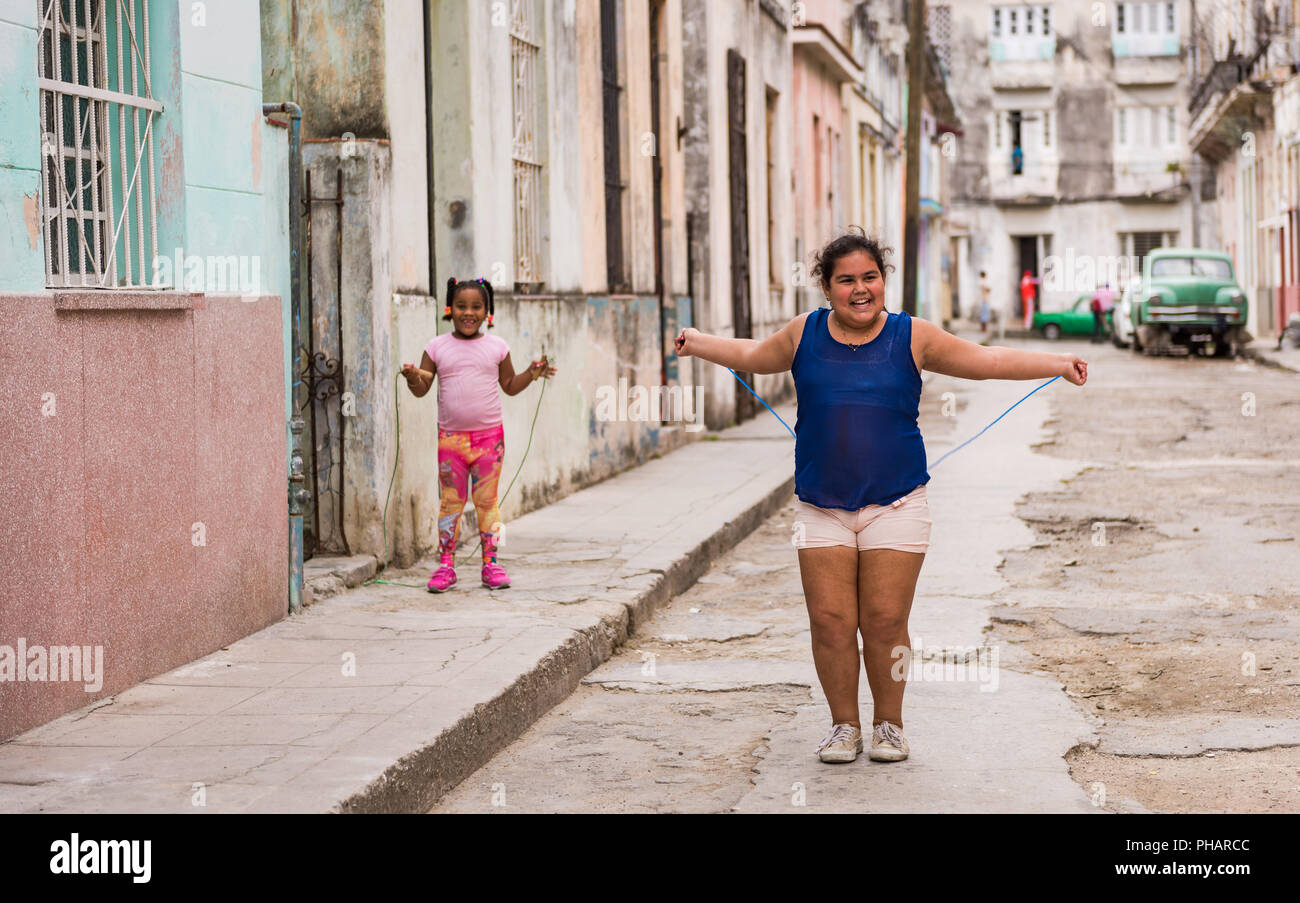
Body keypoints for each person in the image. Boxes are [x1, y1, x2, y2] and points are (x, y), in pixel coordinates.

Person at [674, 228, 1087, 764]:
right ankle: (843, 726)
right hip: (820, 506)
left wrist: (1056, 364)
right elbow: (753, 355)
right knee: (830, 621)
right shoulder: (804, 334)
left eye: (870, 276)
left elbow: (986, 361)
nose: (860, 289)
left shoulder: (913, 337)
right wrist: (697, 340)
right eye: (846, 280)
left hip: (896, 503)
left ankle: (889, 725)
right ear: (827, 287)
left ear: (883, 280)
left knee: (885, 621)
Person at [401, 277, 556, 592]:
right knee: (450, 502)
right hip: (451, 441)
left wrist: (532, 373)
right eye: (461, 306)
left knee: (487, 502)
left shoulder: (497, 347)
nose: (468, 313)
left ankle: (491, 564)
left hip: (489, 441)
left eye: (476, 307)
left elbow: (510, 386)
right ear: (450, 309)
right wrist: (412, 377)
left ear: (488, 311)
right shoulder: (436, 347)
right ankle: (446, 566)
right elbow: (422, 390)